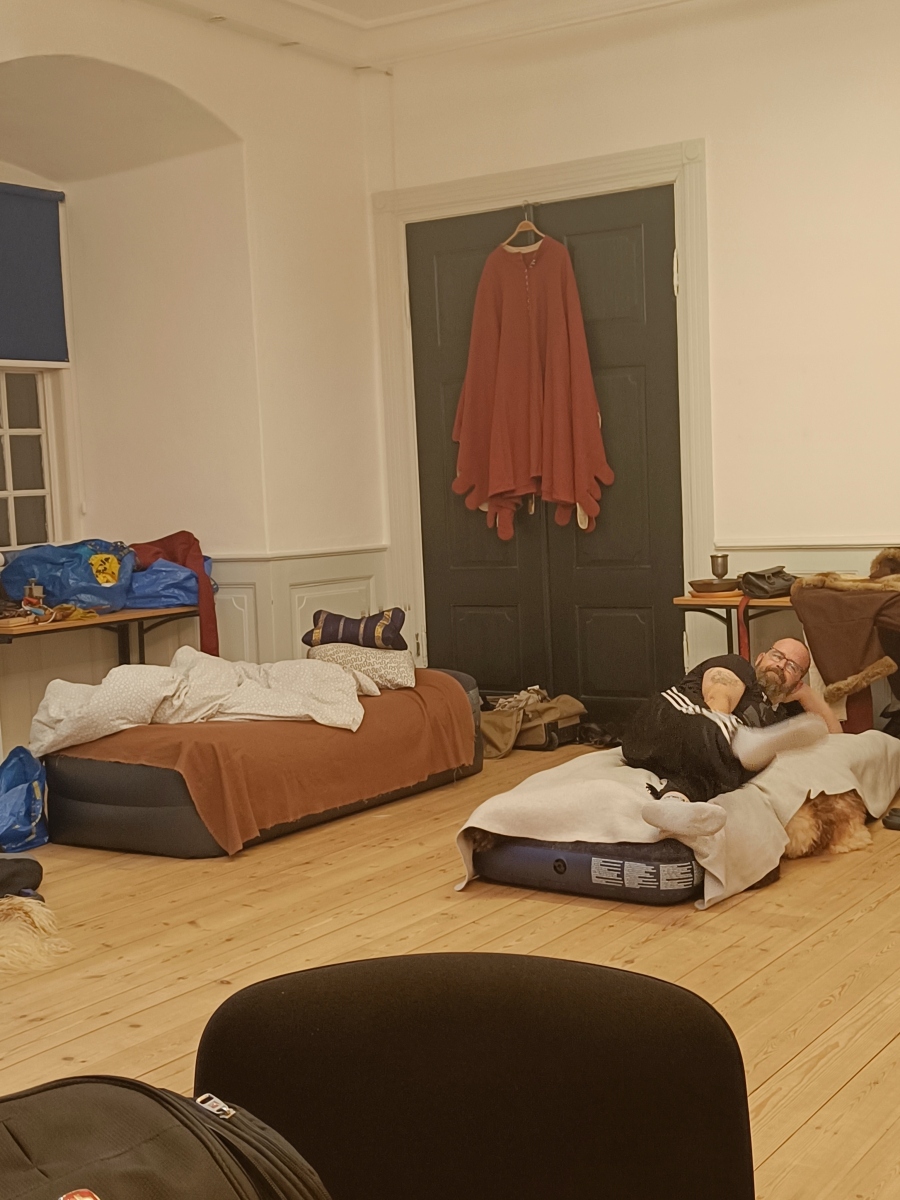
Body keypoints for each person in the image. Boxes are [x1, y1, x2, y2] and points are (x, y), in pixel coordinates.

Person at [621, 639, 842, 804]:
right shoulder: (737, 667)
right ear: (759, 658)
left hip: (680, 762)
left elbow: (838, 738)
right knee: (734, 753)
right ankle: (738, 740)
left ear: (797, 682)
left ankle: (674, 802)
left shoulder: (778, 719)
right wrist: (731, 741)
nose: (781, 665)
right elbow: (718, 701)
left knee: (741, 768)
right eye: (777, 656)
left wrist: (806, 694)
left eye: (792, 667)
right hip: (658, 729)